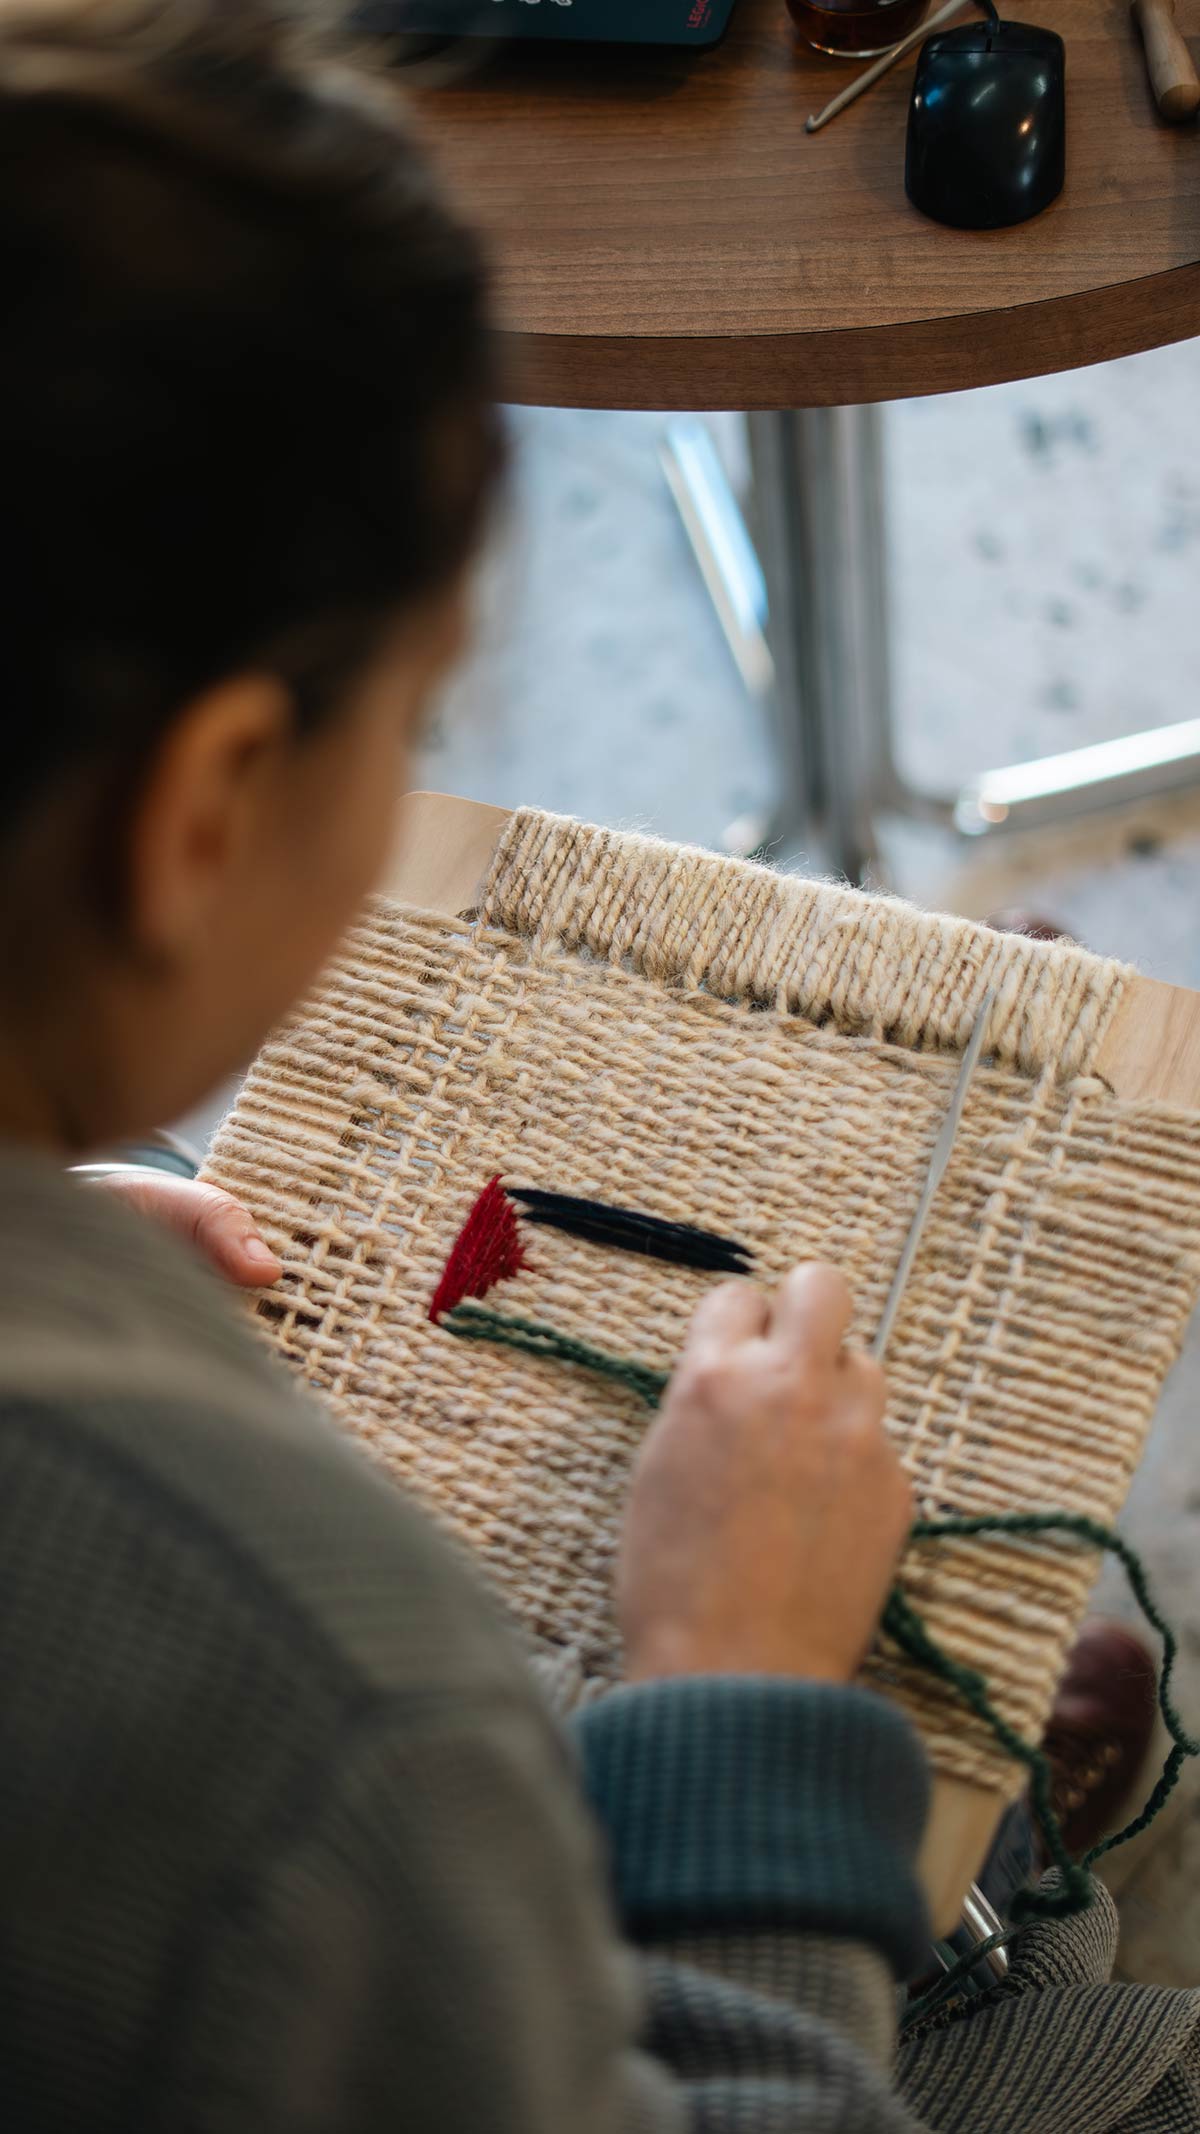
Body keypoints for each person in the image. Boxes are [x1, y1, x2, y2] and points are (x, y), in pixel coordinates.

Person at [0, 4, 1196, 2129]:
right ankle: (984, 1910)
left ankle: (992, 1835)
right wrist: (733, 1702)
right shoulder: (318, 1695)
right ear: (204, 810)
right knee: (983, 1845)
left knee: (998, 1706)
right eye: (417, 723)